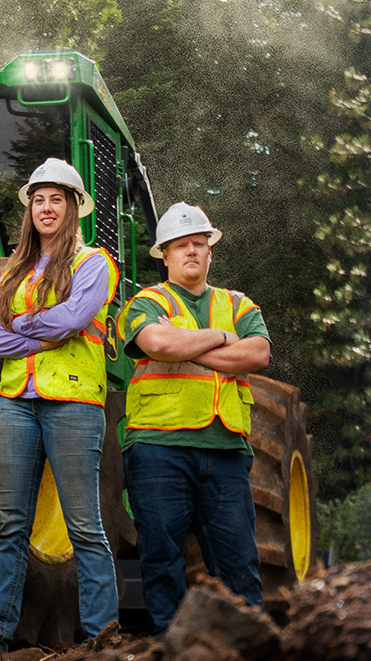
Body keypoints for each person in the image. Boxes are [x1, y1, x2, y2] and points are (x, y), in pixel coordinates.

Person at [0, 158, 121, 654]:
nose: (46, 207)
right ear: (29, 209)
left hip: (73, 403)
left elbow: (76, 318)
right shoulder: (13, 270)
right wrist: (44, 333)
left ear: (74, 207)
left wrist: (25, 328)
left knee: (85, 525)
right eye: (39, 199)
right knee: (10, 524)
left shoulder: (93, 263)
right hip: (17, 403)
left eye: (57, 198)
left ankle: (102, 636)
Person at [117, 201, 270, 635]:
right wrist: (223, 340)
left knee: (239, 557)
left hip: (225, 449)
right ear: (164, 254)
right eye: (181, 245)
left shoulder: (238, 303)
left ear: (210, 250)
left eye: (199, 243)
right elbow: (159, 343)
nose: (191, 251)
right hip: (158, 446)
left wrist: (191, 343)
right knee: (161, 555)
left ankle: (250, 647)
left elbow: (258, 352)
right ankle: (170, 647)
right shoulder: (147, 301)